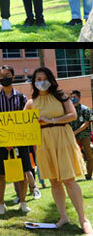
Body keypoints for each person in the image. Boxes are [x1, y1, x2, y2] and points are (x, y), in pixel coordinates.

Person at [24, 67, 92, 234]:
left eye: (44, 78)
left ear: (51, 79)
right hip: (44, 143)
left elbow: (73, 115)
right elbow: (21, 124)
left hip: (62, 138)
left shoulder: (61, 96)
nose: (41, 81)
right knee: (54, 181)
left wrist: (51, 120)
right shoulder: (31, 103)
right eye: (37, 78)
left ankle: (83, 218)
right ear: (34, 82)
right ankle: (63, 217)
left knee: (69, 179)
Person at [0, 65, 33, 215]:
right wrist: (5, 141)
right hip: (2, 144)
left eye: (7, 75)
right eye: (2, 76)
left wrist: (14, 141)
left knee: (23, 172)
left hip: (20, 142)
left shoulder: (22, 98)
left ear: (13, 77)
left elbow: (26, 121)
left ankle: (23, 201)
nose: (4, 78)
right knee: (1, 174)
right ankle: (1, 204)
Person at [69, 90, 93, 180]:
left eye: (75, 97)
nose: (73, 99)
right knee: (71, 155)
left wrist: (75, 132)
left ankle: (89, 175)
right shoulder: (69, 110)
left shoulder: (85, 109)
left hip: (84, 135)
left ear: (79, 98)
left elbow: (86, 124)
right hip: (72, 136)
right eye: (72, 97)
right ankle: (73, 176)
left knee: (89, 155)